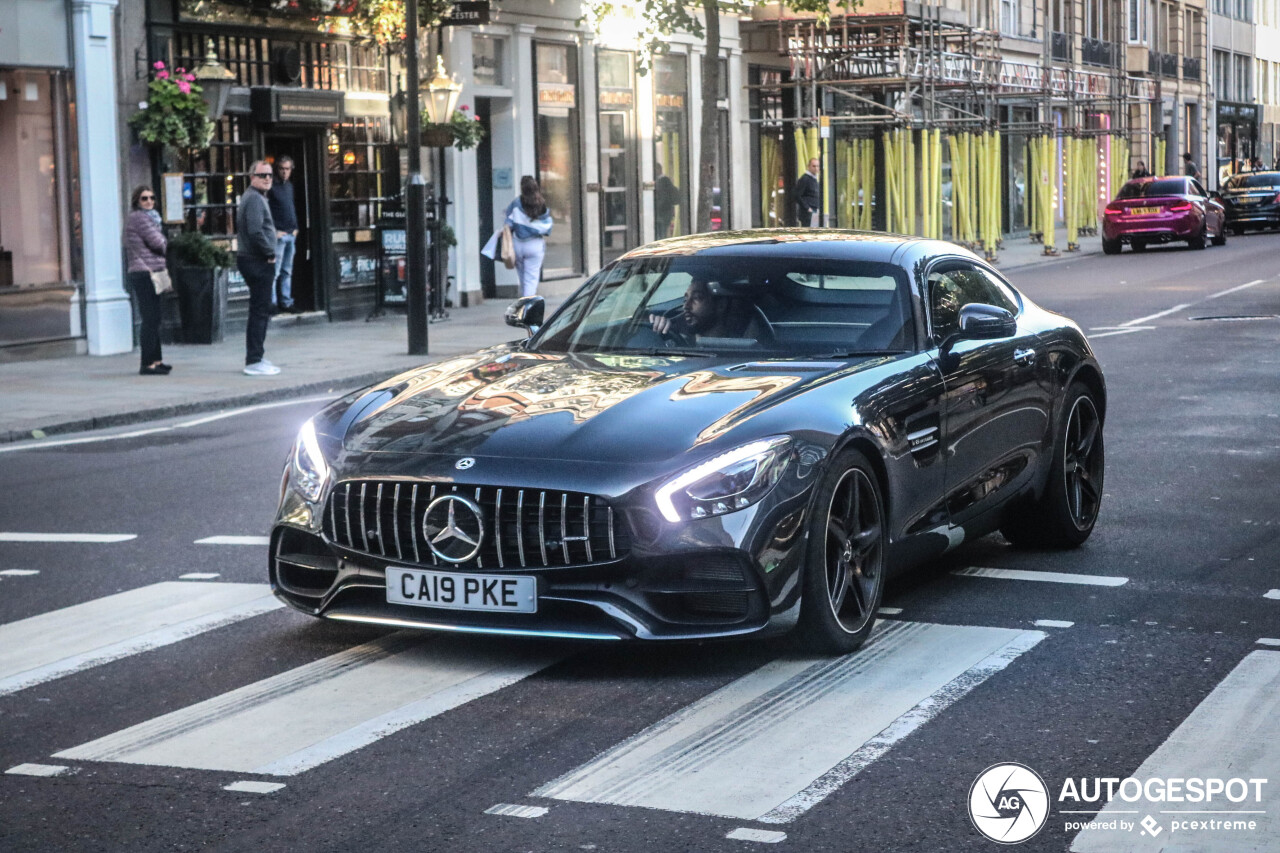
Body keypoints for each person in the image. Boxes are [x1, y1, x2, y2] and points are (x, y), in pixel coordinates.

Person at [237, 161, 280, 376]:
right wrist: (269, 253)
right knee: (259, 312)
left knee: (260, 311)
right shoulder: (254, 198)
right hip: (256, 261)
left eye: (270, 175)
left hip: (253, 259)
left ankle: (257, 356)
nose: (267, 179)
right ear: (252, 176)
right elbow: (255, 231)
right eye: (262, 175)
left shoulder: (255, 197)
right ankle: (254, 360)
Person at [123, 185, 171, 376]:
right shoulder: (139, 218)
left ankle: (156, 360)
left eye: (151, 198)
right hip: (144, 273)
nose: (149, 201)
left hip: (151, 271)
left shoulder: (150, 218)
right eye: (144, 198)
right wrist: (164, 241)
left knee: (155, 317)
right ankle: (147, 364)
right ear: (137, 201)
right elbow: (158, 242)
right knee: (150, 318)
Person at [649, 277, 753, 345]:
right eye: (685, 299)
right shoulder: (677, 343)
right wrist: (659, 329)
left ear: (721, 305)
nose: (686, 306)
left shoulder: (741, 349)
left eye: (697, 298)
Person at [504, 176, 553, 297]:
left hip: (518, 244)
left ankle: (523, 304)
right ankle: (527, 307)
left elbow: (508, 224)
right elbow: (547, 226)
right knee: (531, 279)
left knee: (522, 279)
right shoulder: (541, 203)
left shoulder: (516, 203)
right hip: (535, 244)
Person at [267, 155, 299, 313]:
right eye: (282, 169)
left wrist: (296, 228)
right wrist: (273, 231)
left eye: (288, 169)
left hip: (291, 234)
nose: (285, 172)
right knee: (275, 271)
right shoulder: (271, 187)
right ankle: (272, 304)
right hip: (279, 235)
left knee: (287, 271)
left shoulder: (290, 186)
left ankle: (286, 302)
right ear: (277, 169)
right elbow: (266, 211)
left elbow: (291, 207)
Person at [654, 163, 680, 239]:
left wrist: (657, 208)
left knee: (661, 234)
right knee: (661, 233)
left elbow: (664, 198)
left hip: (663, 213)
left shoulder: (663, 181)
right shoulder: (663, 180)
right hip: (665, 213)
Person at [794, 157, 821, 227]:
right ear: (808, 166)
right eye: (814, 166)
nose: (816, 168)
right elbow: (797, 195)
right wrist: (807, 208)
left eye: (817, 166)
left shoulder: (814, 179)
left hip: (814, 211)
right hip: (808, 213)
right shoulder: (805, 179)